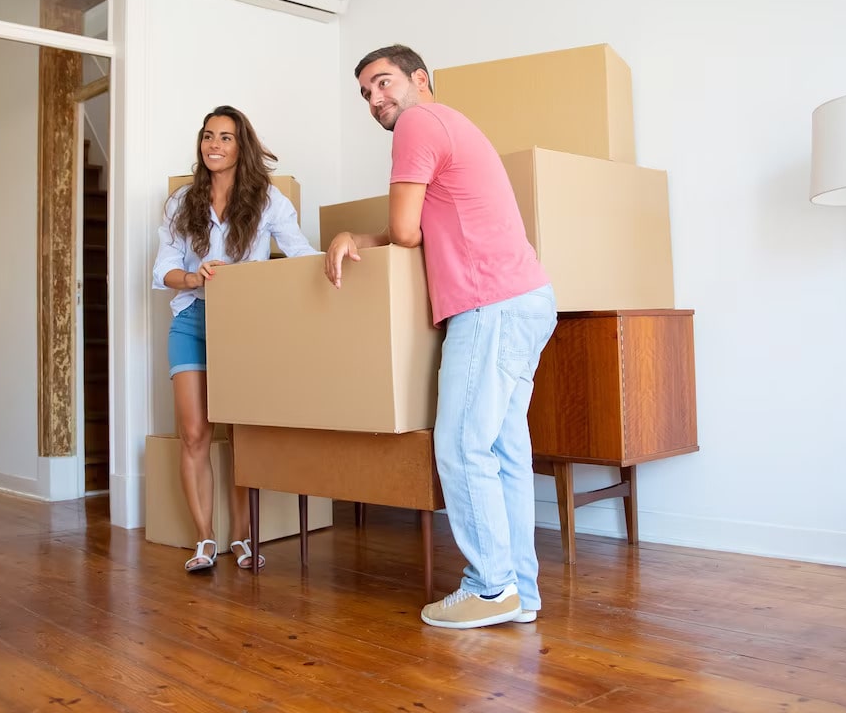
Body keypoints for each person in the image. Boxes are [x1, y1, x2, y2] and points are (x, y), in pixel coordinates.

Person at [325, 45, 557, 629]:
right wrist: (361, 237)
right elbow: (413, 230)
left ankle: (487, 588)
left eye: (383, 83)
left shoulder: (418, 123)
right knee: (503, 453)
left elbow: (406, 229)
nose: (376, 99)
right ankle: (518, 590)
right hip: (524, 299)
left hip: (489, 304)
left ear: (418, 79)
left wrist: (373, 235)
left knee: (459, 445)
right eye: (366, 94)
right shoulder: (452, 124)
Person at [154, 105, 317, 573]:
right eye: (208, 136)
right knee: (194, 433)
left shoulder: (267, 200)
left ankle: (243, 537)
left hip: (245, 327)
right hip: (191, 320)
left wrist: (342, 256)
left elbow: (300, 253)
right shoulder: (182, 202)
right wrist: (193, 277)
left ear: (240, 146)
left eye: (225, 137)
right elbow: (162, 269)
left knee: (242, 435)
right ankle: (204, 539)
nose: (214, 145)